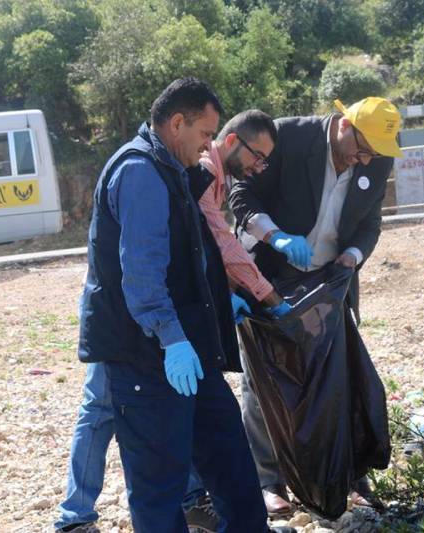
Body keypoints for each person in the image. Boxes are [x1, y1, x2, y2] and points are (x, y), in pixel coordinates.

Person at [55, 77, 293, 533]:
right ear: (177, 123)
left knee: (230, 462)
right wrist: (172, 339)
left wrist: (221, 301)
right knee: (159, 487)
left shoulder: (175, 170)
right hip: (147, 355)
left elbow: (198, 252)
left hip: (189, 349)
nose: (208, 147)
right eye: (205, 134)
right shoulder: (140, 171)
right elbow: (142, 275)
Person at [229, 97, 403, 516]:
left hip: (329, 281)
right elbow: (241, 196)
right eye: (361, 150)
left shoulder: (375, 160)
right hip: (271, 274)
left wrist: (353, 257)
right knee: (265, 377)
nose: (364, 161)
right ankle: (270, 480)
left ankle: (349, 476)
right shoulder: (284, 138)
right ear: (344, 125)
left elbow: (370, 225)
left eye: (372, 155)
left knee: (337, 376)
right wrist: (275, 236)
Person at [180, 109, 292, 531]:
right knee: (106, 410)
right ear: (231, 142)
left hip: (191, 305)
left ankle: (194, 500)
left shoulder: (220, 179)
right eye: (257, 156)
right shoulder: (207, 170)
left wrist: (229, 292)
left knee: (191, 403)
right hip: (152, 315)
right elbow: (222, 243)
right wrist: (268, 295)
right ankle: (76, 516)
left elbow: (209, 248)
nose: (259, 167)